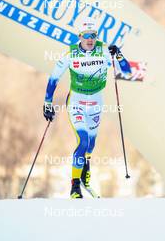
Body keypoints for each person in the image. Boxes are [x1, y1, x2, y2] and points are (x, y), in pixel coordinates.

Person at [43, 17, 131, 198]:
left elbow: (127, 70)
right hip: (76, 103)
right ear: (80, 36)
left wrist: (119, 54)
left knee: (90, 145)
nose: (90, 39)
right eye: (86, 36)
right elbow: (53, 78)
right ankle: (75, 186)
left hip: (96, 104)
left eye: (93, 35)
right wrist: (47, 104)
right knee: (82, 141)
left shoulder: (105, 51)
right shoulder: (71, 54)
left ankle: (85, 168)